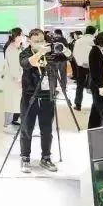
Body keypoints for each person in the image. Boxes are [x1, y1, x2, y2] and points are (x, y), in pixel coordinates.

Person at [18, 28, 65, 174]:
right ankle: (25, 157)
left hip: (47, 95)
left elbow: (66, 58)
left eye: (41, 40)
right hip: (30, 96)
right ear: (30, 41)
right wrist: (40, 52)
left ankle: (46, 157)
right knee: (27, 128)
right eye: (36, 41)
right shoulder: (24, 53)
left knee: (47, 129)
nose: (39, 43)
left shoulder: (50, 53)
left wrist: (63, 49)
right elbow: (28, 63)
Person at [0, 27, 24, 129]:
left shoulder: (16, 47)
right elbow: (14, 66)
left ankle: (12, 121)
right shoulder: (11, 49)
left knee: (14, 102)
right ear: (17, 36)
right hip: (13, 80)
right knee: (11, 102)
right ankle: (7, 124)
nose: (23, 36)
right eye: (22, 35)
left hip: (13, 79)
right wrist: (18, 80)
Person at [71, 25, 96, 111]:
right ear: (94, 32)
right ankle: (95, 105)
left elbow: (74, 54)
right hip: (93, 66)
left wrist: (80, 63)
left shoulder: (78, 41)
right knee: (95, 85)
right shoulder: (95, 41)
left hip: (81, 66)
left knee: (80, 85)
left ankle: (78, 104)